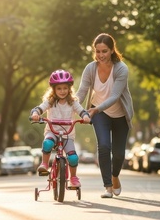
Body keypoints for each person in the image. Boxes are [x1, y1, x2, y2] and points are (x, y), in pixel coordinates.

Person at [76, 33, 134, 198]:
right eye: (98, 51)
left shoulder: (121, 68)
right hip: (99, 114)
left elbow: (115, 96)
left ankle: (115, 176)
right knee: (103, 146)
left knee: (118, 154)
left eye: (104, 51)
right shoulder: (90, 68)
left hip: (120, 115)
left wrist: (96, 110)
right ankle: (108, 186)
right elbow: (81, 92)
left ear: (111, 50)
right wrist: (72, 105)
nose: (100, 55)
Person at [30, 69, 91, 188]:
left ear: (69, 89)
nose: (62, 91)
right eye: (59, 88)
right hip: (52, 132)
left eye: (65, 88)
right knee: (47, 143)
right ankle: (44, 164)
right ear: (54, 89)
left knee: (73, 157)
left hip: (68, 134)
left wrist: (85, 117)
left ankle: (73, 178)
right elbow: (39, 108)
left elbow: (81, 111)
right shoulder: (50, 102)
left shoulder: (73, 102)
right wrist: (35, 114)